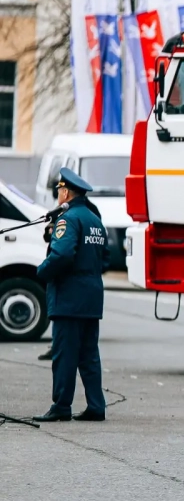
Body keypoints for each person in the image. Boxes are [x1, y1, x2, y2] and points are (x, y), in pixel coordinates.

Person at [32, 168, 107, 422]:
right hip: (91, 297)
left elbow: (62, 255)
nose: (58, 195)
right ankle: (96, 406)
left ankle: (61, 406)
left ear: (65, 193)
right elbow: (105, 258)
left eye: (59, 191)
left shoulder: (68, 219)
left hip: (69, 297)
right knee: (89, 355)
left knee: (64, 354)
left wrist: (42, 271)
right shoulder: (95, 220)